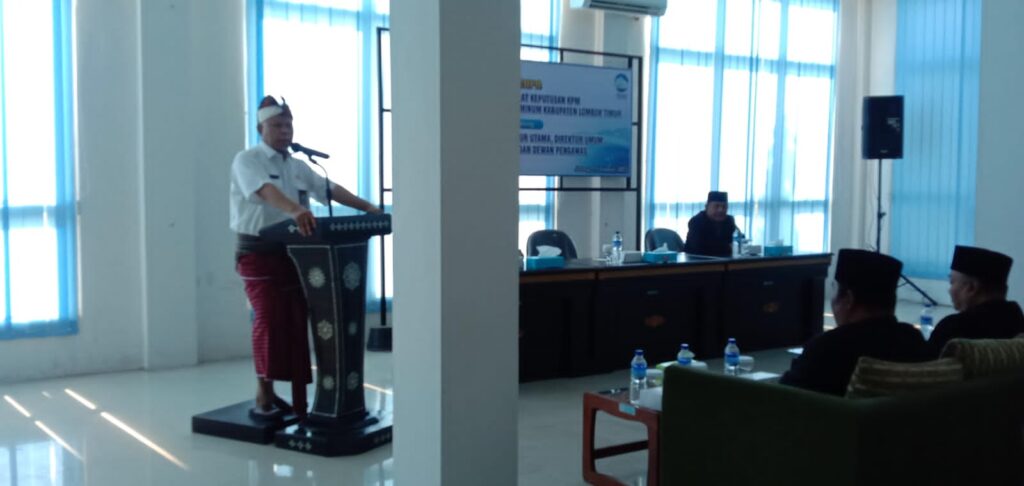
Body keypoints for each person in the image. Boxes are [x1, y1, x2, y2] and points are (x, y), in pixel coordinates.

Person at [230, 95, 382, 420]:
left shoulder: (297, 166)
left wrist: (368, 208)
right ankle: (264, 391)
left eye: (289, 125)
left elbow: (329, 189)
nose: (285, 131)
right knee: (269, 319)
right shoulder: (247, 160)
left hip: (299, 255)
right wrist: (295, 210)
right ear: (260, 128)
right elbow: (265, 192)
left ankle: (300, 400)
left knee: (298, 322)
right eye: (277, 125)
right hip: (258, 254)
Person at [780, 249, 931, 396]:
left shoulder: (828, 348)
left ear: (848, 299)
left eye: (834, 290)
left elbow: (785, 398)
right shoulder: (912, 340)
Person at [928, 245, 1024, 355]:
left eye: (952, 282)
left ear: (971, 288)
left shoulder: (953, 328)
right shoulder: (1017, 321)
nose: (949, 290)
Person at [683, 191, 736, 257]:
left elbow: (736, 241)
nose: (721, 210)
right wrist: (727, 247)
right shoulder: (696, 221)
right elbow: (699, 247)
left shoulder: (729, 220)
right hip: (697, 261)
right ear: (706, 207)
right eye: (716, 206)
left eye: (724, 207)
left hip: (725, 260)